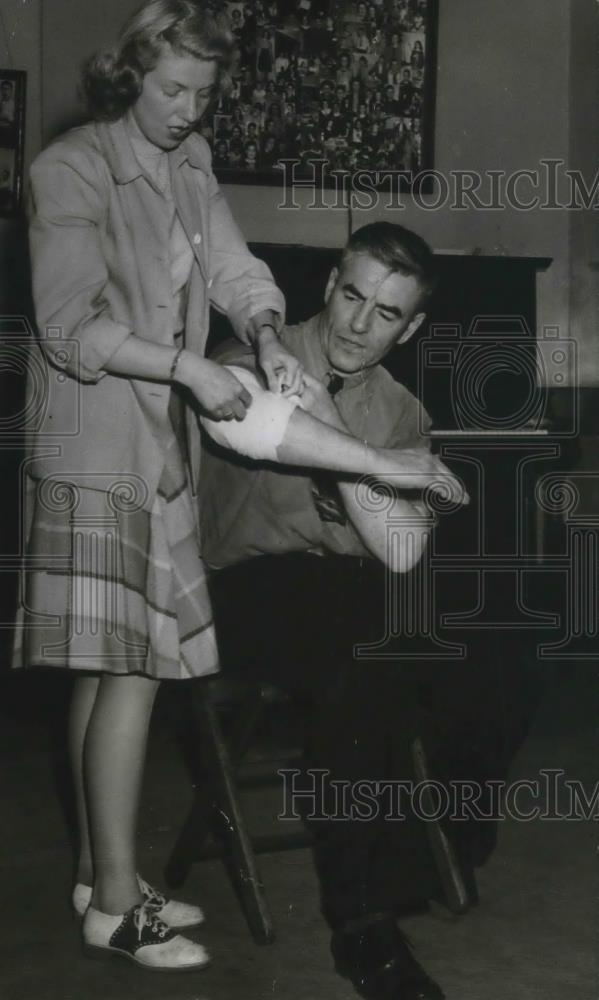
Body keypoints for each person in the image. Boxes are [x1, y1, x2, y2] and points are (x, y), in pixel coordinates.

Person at [13, 0, 306, 974]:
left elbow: (226, 264)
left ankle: (107, 879)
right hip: (97, 452)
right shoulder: (68, 169)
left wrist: (263, 328)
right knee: (131, 666)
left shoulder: (188, 161)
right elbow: (69, 328)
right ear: (127, 73)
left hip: (157, 449)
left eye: (203, 93)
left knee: (113, 668)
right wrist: (187, 371)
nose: (186, 109)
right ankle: (113, 904)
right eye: (171, 88)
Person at [198, 223, 468, 1000]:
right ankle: (365, 917)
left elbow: (404, 552)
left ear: (409, 327)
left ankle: (383, 898)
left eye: (386, 313)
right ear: (327, 287)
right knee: (367, 634)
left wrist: (345, 429)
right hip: (238, 596)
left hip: (346, 607)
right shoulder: (249, 358)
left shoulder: (402, 410)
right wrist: (365, 458)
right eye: (352, 295)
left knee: (437, 645)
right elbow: (265, 434)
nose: (358, 323)